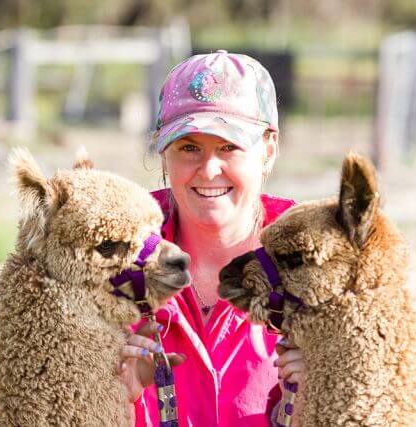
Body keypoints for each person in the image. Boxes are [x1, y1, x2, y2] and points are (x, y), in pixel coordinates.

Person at [120, 50, 305, 426]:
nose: (209, 169)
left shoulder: (313, 270)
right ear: (163, 154)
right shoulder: (113, 265)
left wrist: (323, 393)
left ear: (268, 150)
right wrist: (112, 394)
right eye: (189, 147)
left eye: (229, 146)